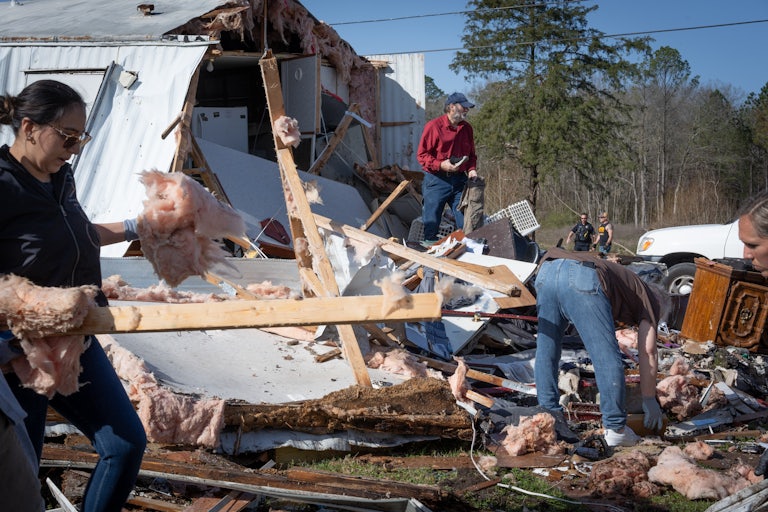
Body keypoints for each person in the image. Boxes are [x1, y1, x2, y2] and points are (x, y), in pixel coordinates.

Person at [0, 80, 147, 511]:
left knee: (125, 443)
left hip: (73, 336)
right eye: (68, 136)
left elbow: (75, 235)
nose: (76, 147)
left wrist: (139, 227)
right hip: (17, 349)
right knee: (22, 477)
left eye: (81, 137)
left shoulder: (62, 177)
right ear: (29, 127)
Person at [533, 246, 667, 447]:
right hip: (581, 275)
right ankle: (616, 429)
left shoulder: (629, 286)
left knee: (547, 350)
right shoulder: (652, 301)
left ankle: (549, 418)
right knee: (605, 355)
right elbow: (648, 351)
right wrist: (649, 399)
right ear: (660, 301)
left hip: (547, 269)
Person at [417, 92, 478, 246]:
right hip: (436, 179)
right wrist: (441, 164)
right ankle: (430, 254)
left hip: (459, 180)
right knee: (431, 221)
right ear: (451, 107)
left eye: (467, 108)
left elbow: (471, 155)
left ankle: (468, 249)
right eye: (463, 107)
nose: (466, 110)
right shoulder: (433, 127)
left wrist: (471, 169)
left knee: (466, 219)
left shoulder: (467, 129)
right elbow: (422, 155)